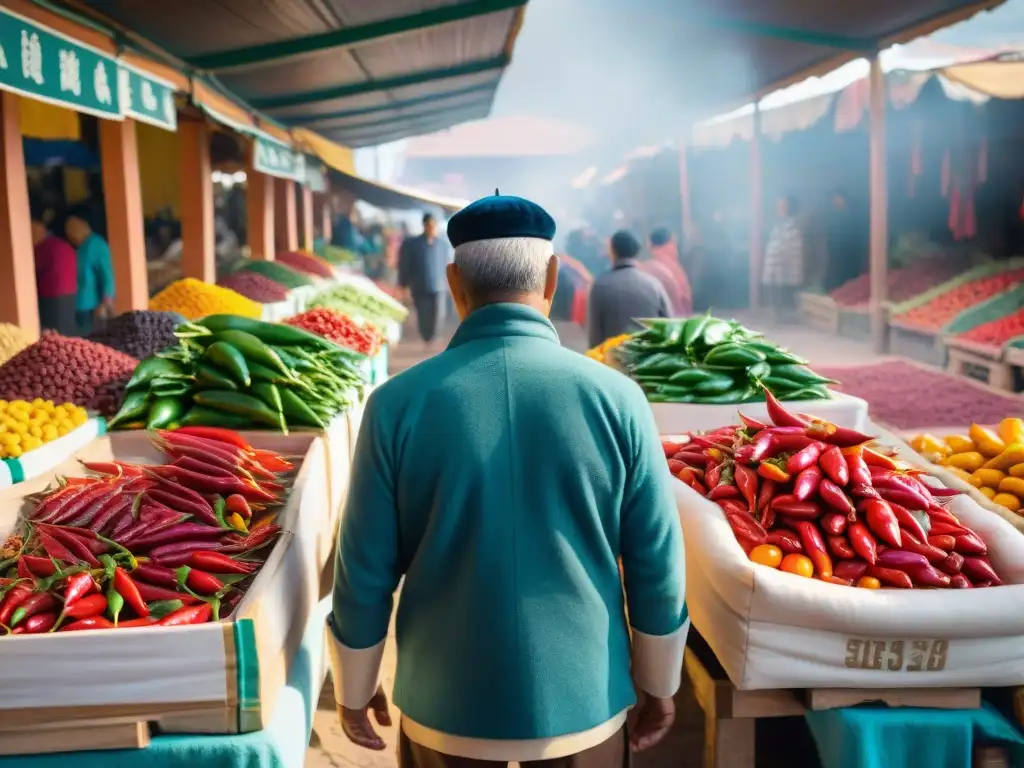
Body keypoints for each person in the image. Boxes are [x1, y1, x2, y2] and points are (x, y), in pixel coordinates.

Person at [328, 193, 687, 768]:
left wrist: (354, 683)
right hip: (585, 698)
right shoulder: (618, 398)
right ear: (551, 278)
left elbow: (363, 567)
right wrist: (660, 681)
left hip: (445, 702)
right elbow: (656, 560)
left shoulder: (396, 405)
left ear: (453, 281)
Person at [587, 229, 672, 348]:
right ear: (637, 252)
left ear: (612, 251)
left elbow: (595, 335)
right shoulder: (653, 284)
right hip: (650, 360)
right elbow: (670, 326)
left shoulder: (600, 285)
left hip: (613, 361)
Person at [398, 212, 449, 349]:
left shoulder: (442, 245)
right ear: (424, 226)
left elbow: (447, 265)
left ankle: (434, 337)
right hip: (420, 286)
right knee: (424, 314)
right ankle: (427, 339)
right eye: (429, 225)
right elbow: (406, 265)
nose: (431, 228)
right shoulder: (414, 244)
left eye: (434, 225)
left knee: (438, 313)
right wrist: (403, 284)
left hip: (439, 286)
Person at [65, 210, 115, 335]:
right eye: (67, 229)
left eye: (72, 227)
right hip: (77, 306)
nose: (69, 232)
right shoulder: (80, 247)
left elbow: (107, 276)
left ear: (84, 224)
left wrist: (106, 302)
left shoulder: (97, 245)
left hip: (91, 308)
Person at [31, 208, 78, 336]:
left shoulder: (45, 248)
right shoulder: (63, 245)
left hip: (50, 300)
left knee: (53, 338)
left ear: (37, 226)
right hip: (68, 298)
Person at [761, 194, 805, 324]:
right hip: (775, 265)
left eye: (782, 206)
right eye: (778, 205)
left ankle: (785, 318)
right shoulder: (778, 224)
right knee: (775, 292)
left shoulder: (792, 226)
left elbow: (788, 247)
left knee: (784, 292)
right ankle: (777, 317)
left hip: (785, 266)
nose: (779, 208)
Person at [647, 227, 692, 315]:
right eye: (674, 244)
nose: (676, 250)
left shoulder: (645, 267)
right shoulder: (674, 269)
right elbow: (684, 301)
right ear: (668, 244)